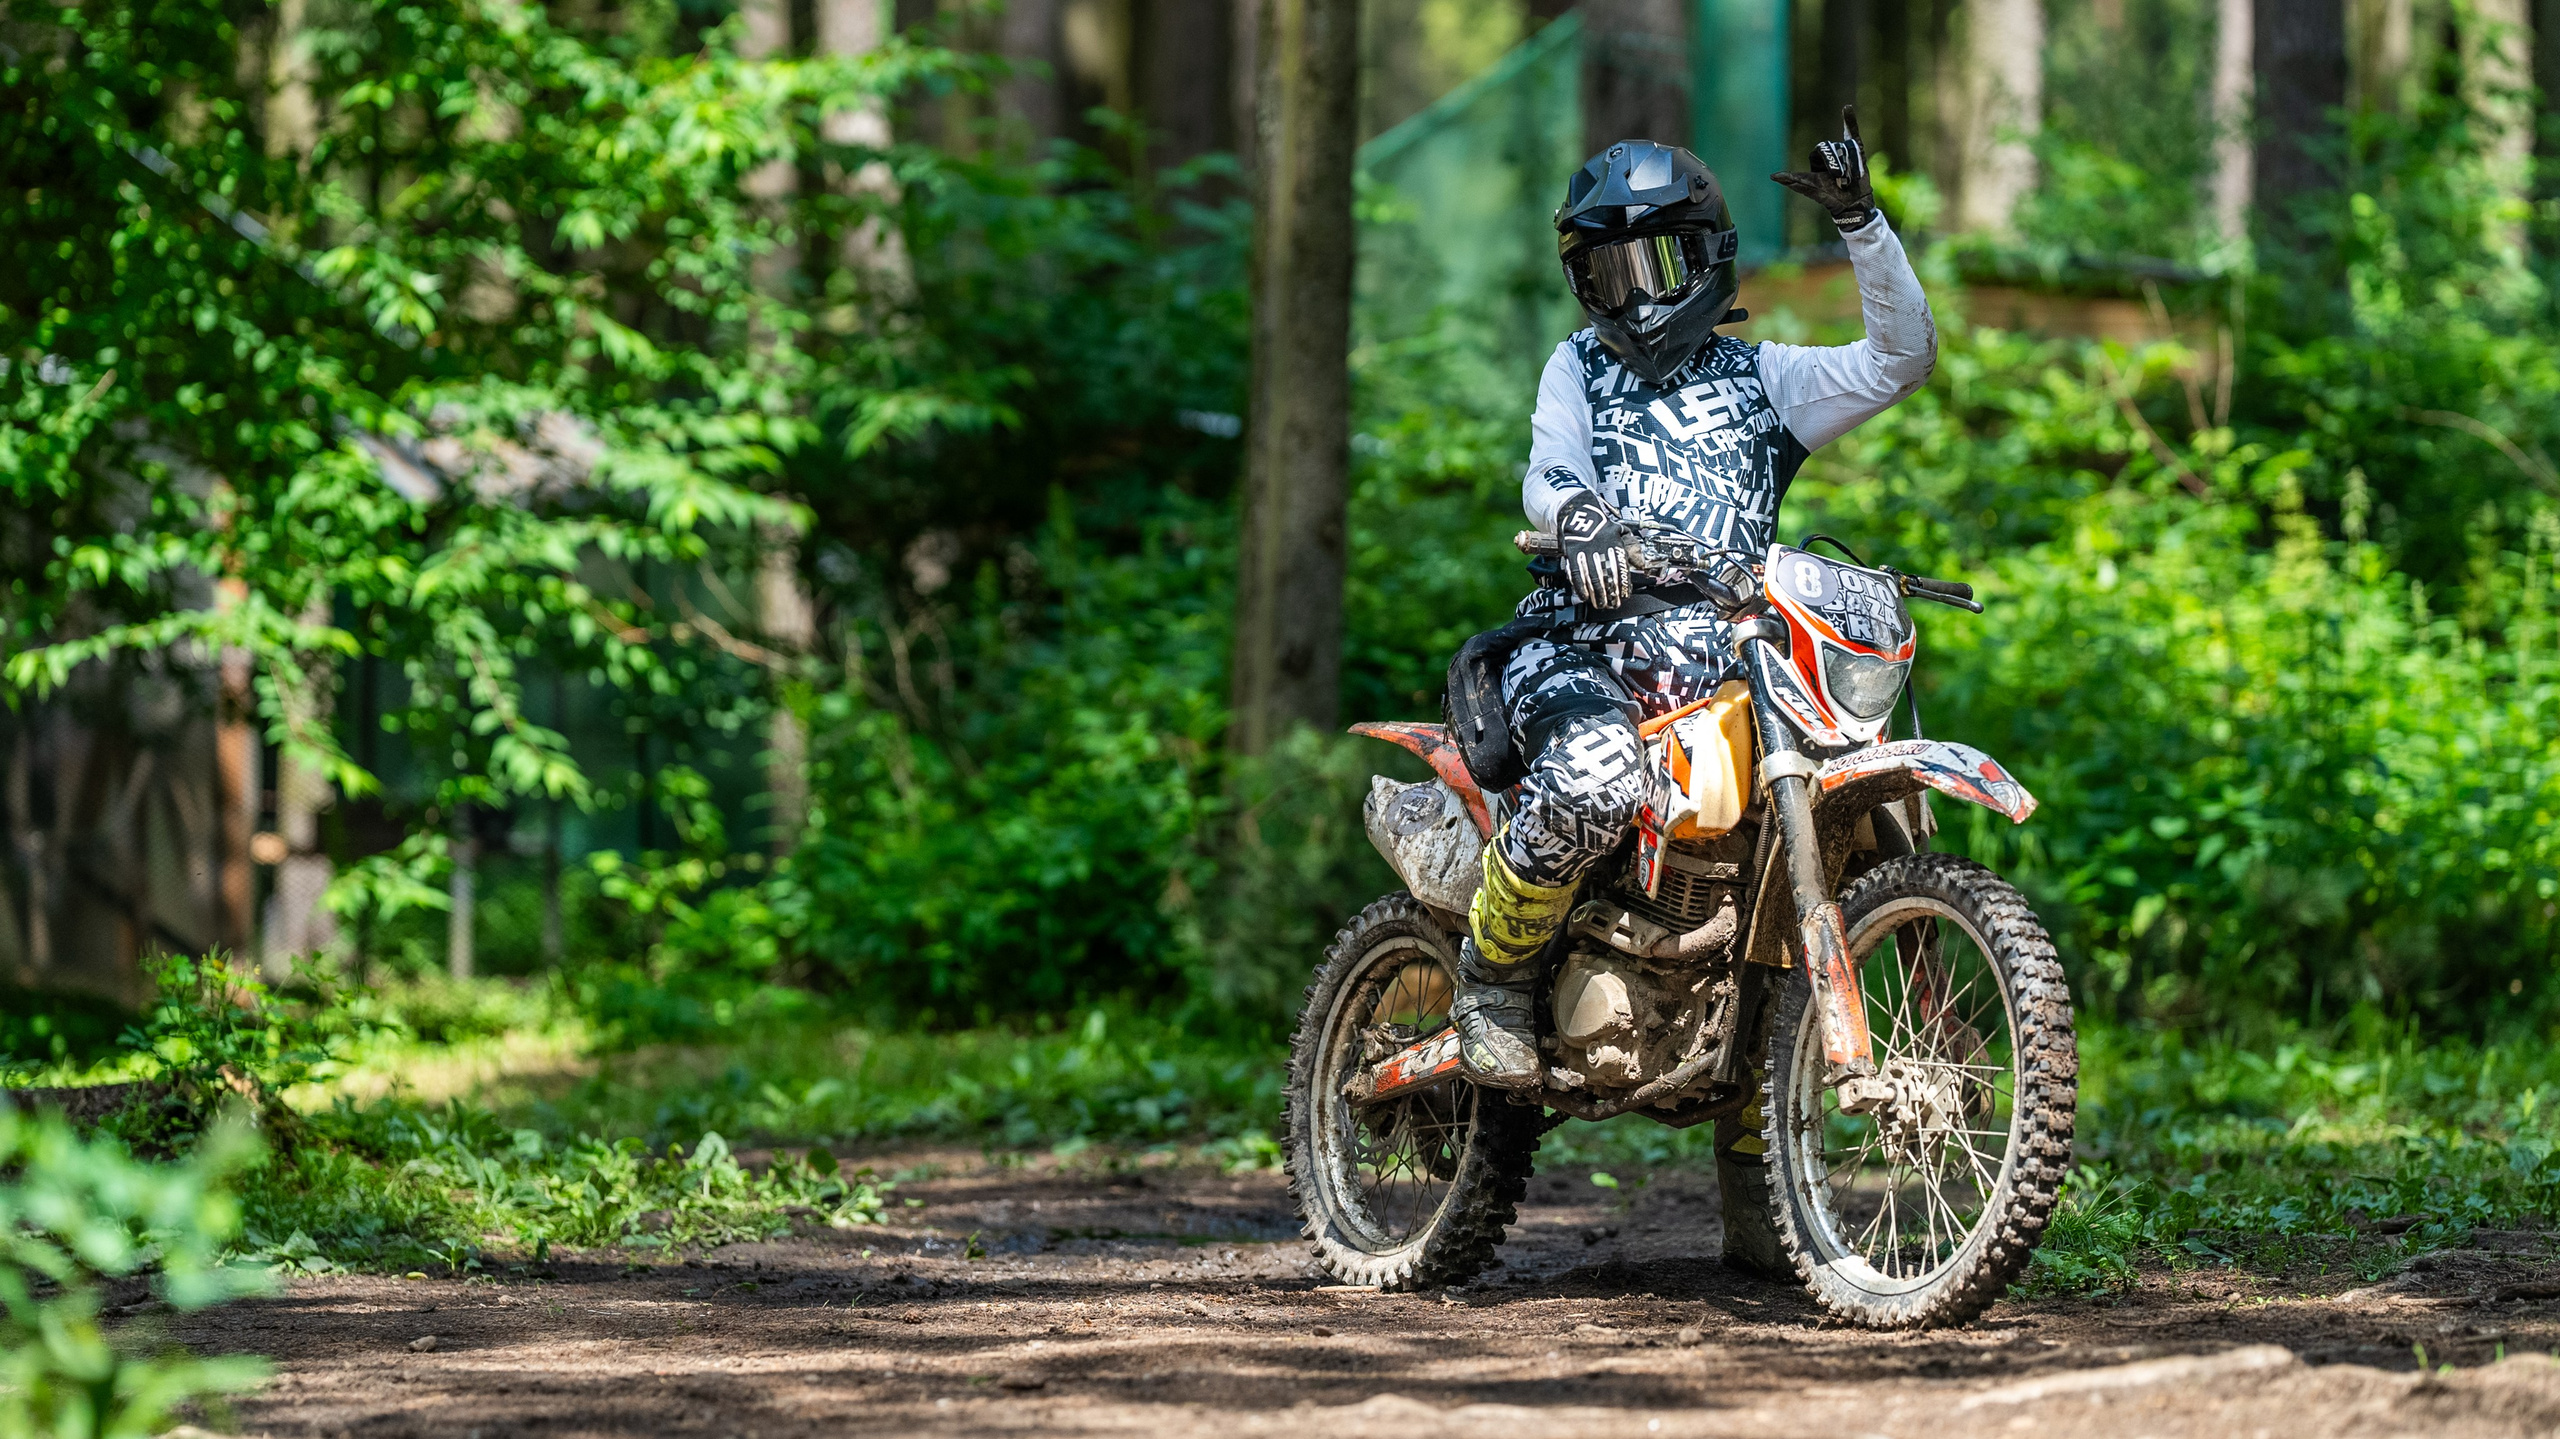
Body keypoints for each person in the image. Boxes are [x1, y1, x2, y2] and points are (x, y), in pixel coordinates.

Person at [1449, 110, 1938, 1090]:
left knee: (1846, 780)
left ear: (1708, 257)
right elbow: (1548, 470)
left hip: (1728, 657)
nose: (1633, 295)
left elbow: (1898, 360)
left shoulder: (1764, 377)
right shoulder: (1577, 366)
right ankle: (1490, 980)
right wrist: (1580, 518)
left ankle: (1771, 1165)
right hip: (1582, 643)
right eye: (1608, 273)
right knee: (1592, 782)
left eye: (1657, 263)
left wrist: (1863, 226)